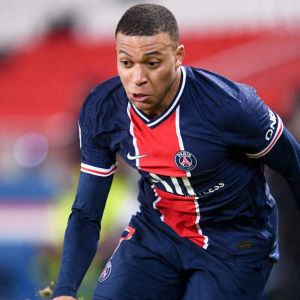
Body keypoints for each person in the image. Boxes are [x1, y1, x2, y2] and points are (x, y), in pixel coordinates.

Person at [52, 4, 300, 300]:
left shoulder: (232, 107)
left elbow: (294, 167)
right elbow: (86, 212)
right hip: (157, 234)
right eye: (126, 63)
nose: (138, 78)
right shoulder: (103, 109)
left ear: (178, 56)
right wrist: (65, 290)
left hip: (235, 242)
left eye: (152, 62)